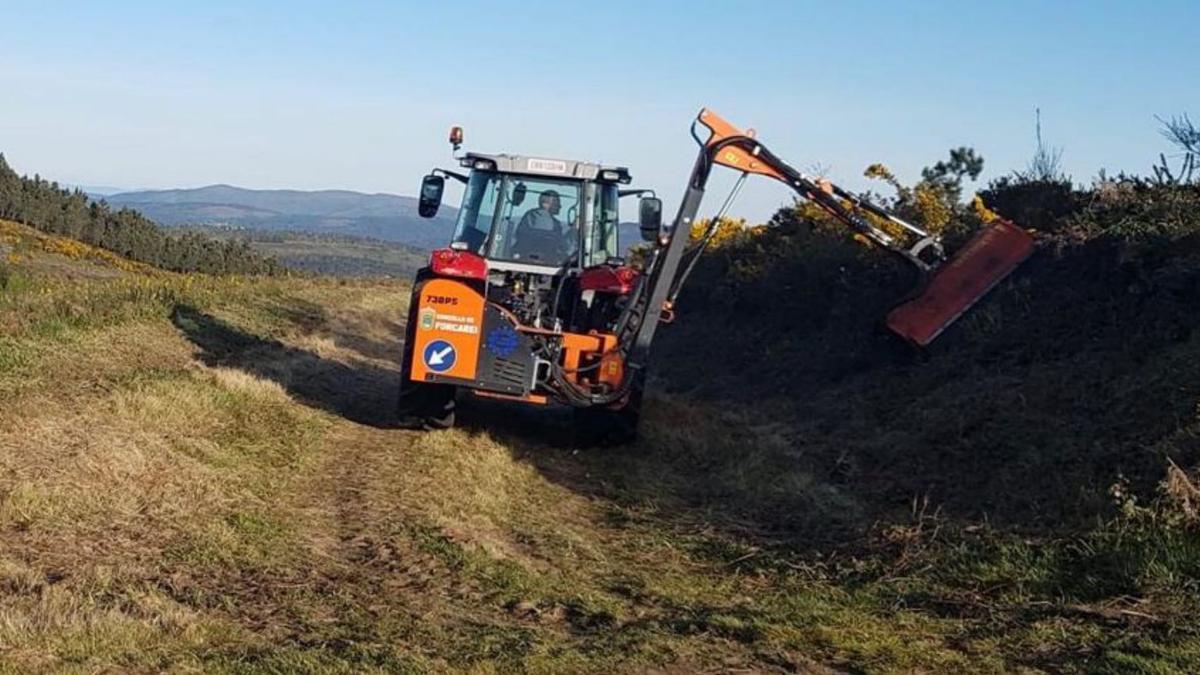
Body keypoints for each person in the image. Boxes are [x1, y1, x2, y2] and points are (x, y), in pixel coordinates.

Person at [515, 190, 575, 262]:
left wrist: (573, 230)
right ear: (545, 204)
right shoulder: (539, 218)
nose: (560, 206)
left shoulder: (550, 221)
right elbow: (555, 245)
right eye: (556, 203)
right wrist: (573, 232)